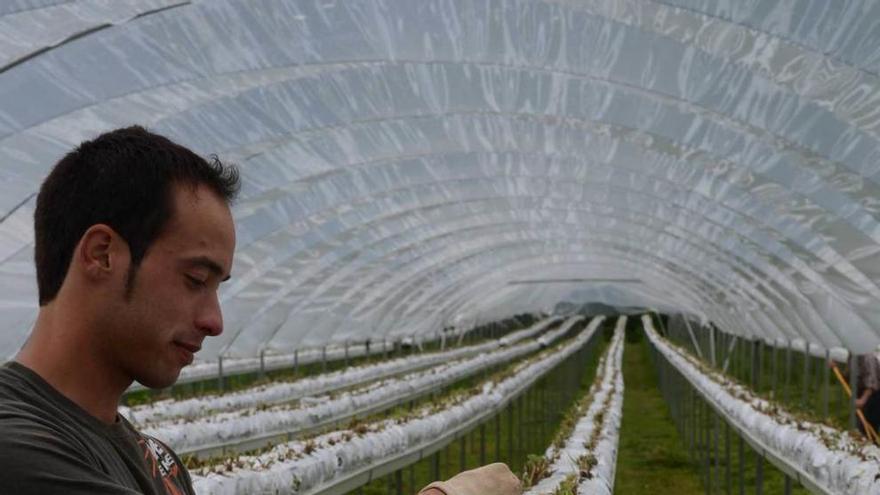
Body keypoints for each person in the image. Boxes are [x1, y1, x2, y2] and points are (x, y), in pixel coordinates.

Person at [0, 126, 521, 495]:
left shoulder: (151, 456)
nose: (215, 320)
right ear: (102, 255)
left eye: (218, 287)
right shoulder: (16, 452)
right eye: (195, 280)